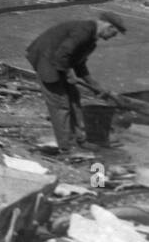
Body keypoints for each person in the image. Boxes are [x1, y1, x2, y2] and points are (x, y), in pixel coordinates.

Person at [25, 12, 126, 153]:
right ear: (108, 26)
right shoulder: (83, 31)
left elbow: (79, 63)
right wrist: (68, 73)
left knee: (74, 101)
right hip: (46, 61)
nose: (113, 37)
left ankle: (80, 140)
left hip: (60, 63)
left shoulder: (90, 40)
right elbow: (62, 54)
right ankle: (67, 148)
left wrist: (94, 84)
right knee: (61, 105)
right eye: (114, 33)